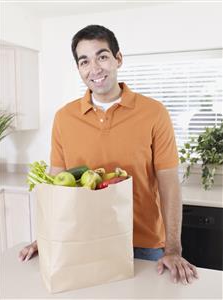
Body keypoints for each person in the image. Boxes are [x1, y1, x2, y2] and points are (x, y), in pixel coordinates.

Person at [19, 24, 198, 284]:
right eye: (84, 61)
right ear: (79, 69)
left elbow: (169, 183)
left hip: (143, 245)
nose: (95, 69)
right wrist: (47, 238)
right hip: (80, 242)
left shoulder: (154, 113)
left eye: (102, 56)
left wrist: (173, 249)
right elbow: (56, 187)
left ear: (118, 59)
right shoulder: (64, 118)